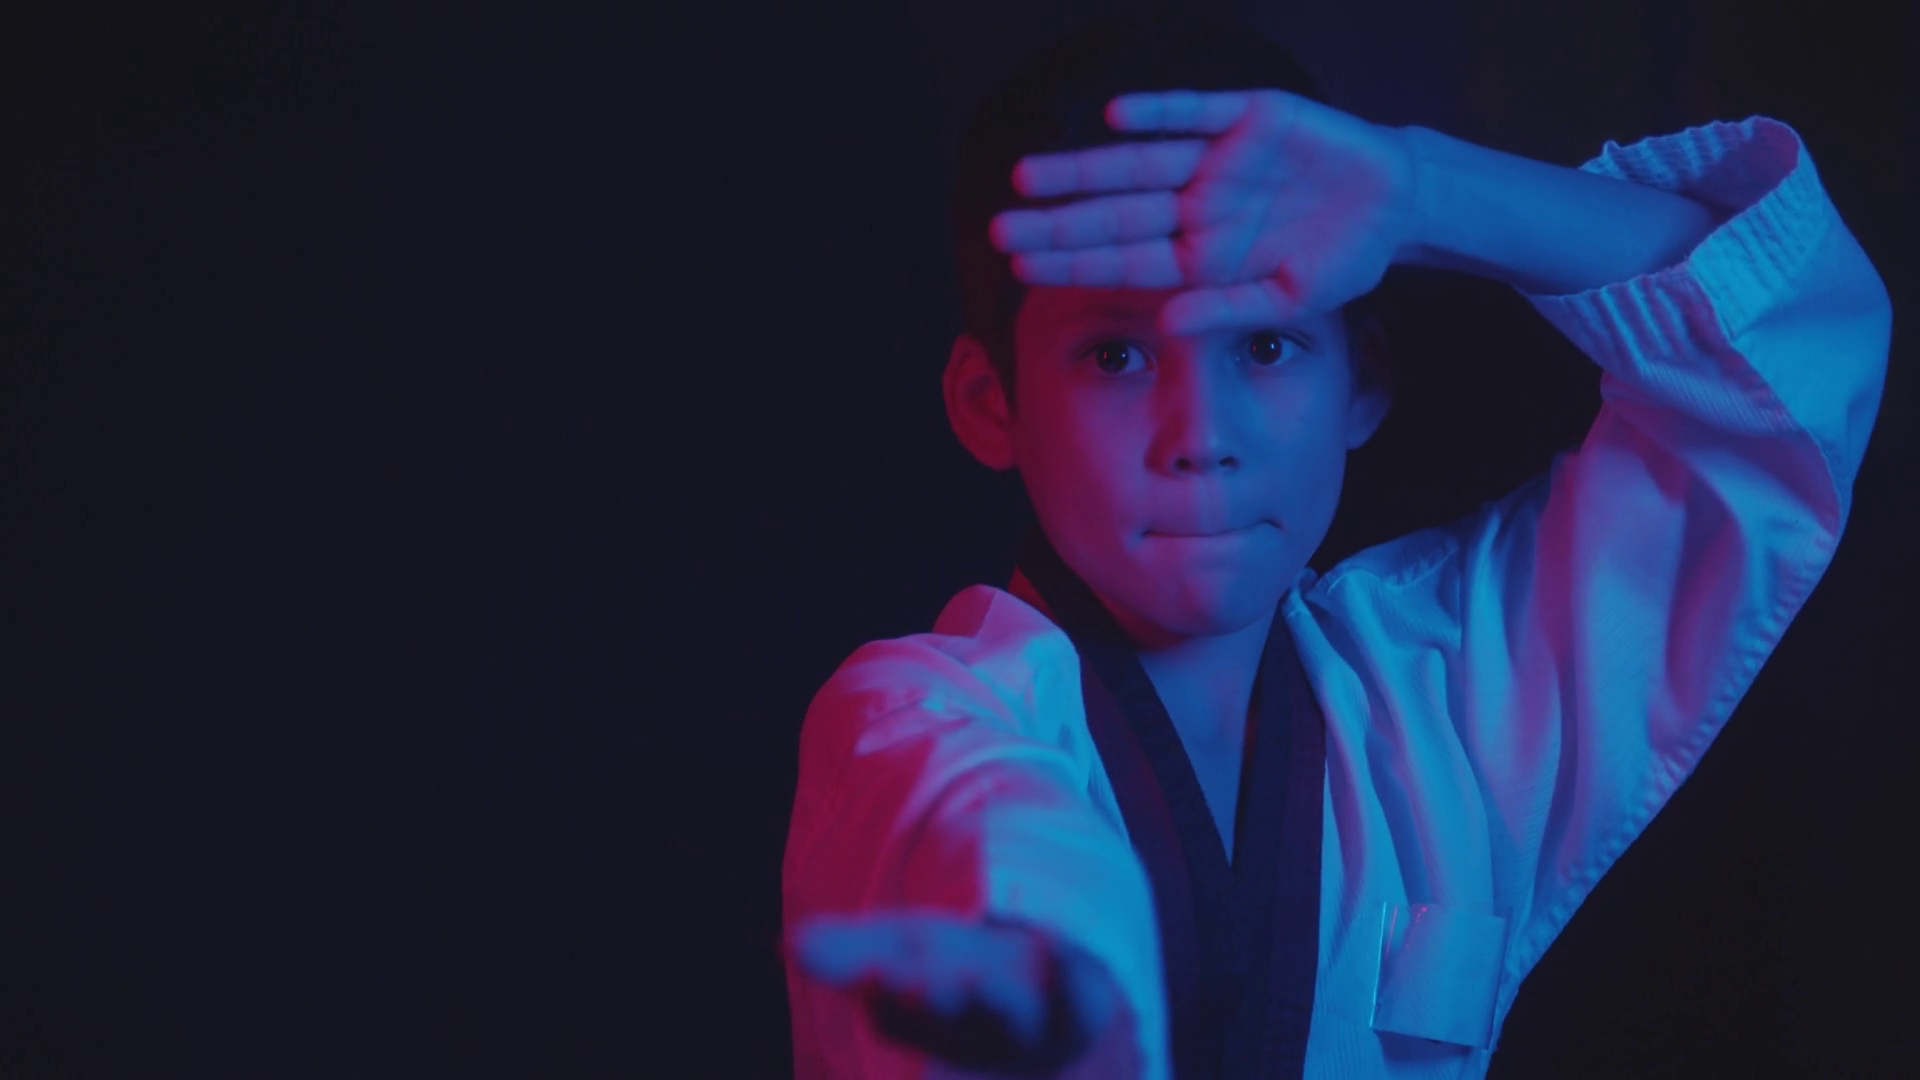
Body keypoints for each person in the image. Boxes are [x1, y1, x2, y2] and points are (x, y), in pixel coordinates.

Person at [780, 13, 1890, 1079]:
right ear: (990, 404)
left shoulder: (1446, 701)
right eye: (1117, 357)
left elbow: (1786, 364)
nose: (1202, 437)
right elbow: (1006, 869)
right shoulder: (910, 728)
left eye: (1266, 346)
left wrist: (1420, 192)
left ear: (1363, 381)